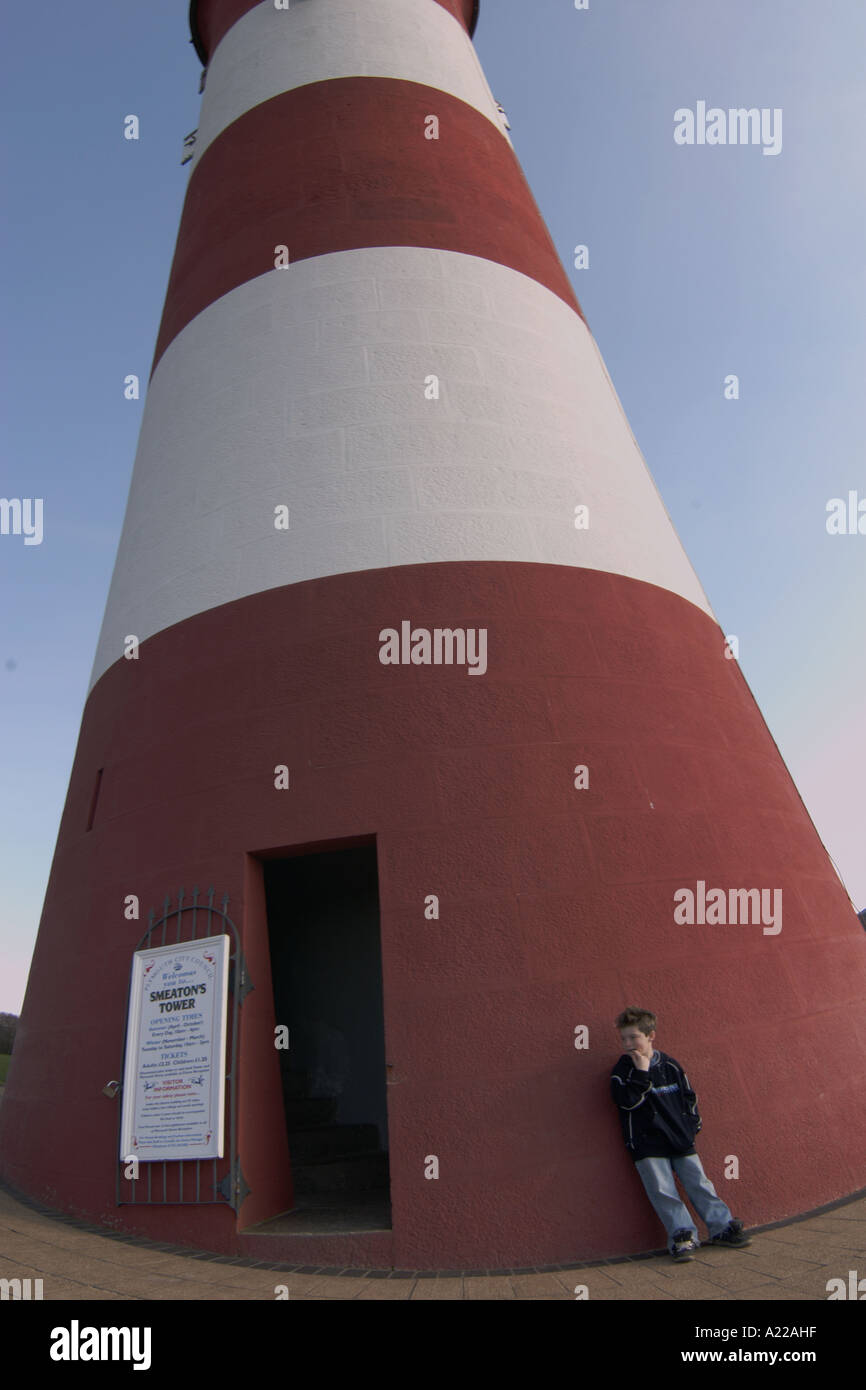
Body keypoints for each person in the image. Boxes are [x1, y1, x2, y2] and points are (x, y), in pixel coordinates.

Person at [610, 1006, 752, 1262]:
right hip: (646, 1144)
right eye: (624, 1038)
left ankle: (721, 1228)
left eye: (634, 1037)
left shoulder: (670, 1065)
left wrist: (691, 1127)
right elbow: (627, 1101)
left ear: (650, 1035)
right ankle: (683, 1236)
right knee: (663, 1191)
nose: (628, 1043)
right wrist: (641, 1072)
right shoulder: (623, 1070)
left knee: (700, 1184)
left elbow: (689, 1097)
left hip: (679, 1139)